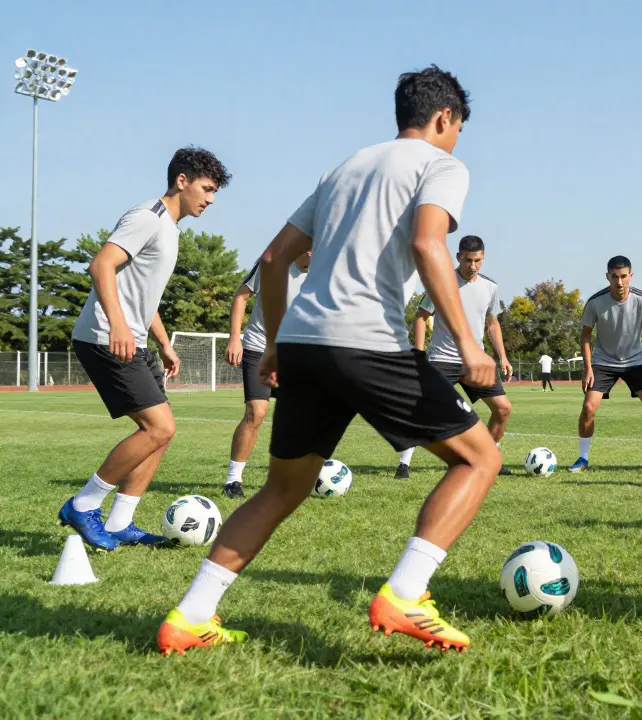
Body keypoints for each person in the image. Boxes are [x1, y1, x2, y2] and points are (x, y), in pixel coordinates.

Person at [156, 66, 502, 655]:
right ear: (445, 118)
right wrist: (468, 343)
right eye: (458, 128)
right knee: (480, 458)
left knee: (281, 490)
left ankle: (190, 616)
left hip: (306, 345)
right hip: (366, 341)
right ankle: (407, 593)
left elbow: (272, 259)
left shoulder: (345, 167)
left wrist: (279, 343)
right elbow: (427, 243)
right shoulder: (442, 166)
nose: (456, 140)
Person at [58, 147, 231, 552]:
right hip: (105, 336)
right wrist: (118, 323)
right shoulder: (147, 218)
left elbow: (142, 295)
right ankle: (83, 505)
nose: (210, 200)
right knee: (159, 427)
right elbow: (101, 265)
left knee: (161, 433)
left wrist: (165, 342)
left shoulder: (170, 228)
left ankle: (120, 523)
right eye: (206, 189)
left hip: (134, 338)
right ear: (182, 180)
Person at [396, 234, 514, 479]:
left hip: (476, 361)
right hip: (443, 359)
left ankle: (489, 458)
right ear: (458, 256)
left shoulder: (490, 287)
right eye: (468, 260)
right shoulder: (441, 281)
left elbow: (492, 323)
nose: (473, 266)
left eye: (478, 260)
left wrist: (502, 356)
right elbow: (420, 317)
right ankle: (404, 464)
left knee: (503, 409)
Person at [568, 256, 642, 472]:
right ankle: (583, 459)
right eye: (615, 277)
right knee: (588, 407)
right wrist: (587, 370)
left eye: (624, 276)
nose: (620, 281)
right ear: (608, 277)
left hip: (635, 360)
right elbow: (585, 337)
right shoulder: (595, 302)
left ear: (631, 276)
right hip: (603, 361)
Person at [221, 252, 311, 499]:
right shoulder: (272, 261)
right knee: (256, 412)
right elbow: (241, 296)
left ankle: (296, 478)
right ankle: (233, 480)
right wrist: (234, 339)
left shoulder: (323, 272)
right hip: (258, 348)